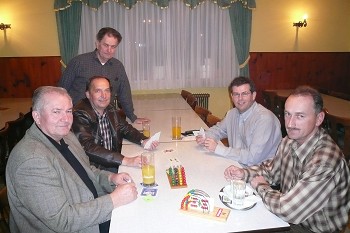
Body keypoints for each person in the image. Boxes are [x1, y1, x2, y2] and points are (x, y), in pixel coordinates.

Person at [5, 86, 138, 233]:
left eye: (69, 111)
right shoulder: (31, 160)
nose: (66, 119)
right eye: (56, 112)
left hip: (91, 212)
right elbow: (63, 221)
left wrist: (111, 178)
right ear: (37, 116)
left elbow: (86, 170)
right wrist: (114, 200)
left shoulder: (66, 136)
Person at [224, 86, 350, 233]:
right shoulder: (289, 141)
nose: (290, 124)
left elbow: (287, 210)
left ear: (319, 118)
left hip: (312, 229)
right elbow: (271, 171)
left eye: (300, 116)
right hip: (289, 218)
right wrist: (243, 173)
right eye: (287, 114)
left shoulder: (325, 162)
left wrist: (261, 186)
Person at [58, 27, 146, 123]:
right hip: (79, 117)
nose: (109, 50)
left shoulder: (118, 66)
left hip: (106, 117)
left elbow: (124, 93)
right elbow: (61, 90)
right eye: (106, 45)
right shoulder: (78, 62)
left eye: (113, 46)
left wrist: (132, 117)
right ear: (97, 44)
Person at [72, 76, 158, 172]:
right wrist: (126, 160)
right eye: (98, 91)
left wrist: (143, 140)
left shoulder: (109, 108)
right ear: (88, 94)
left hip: (113, 162)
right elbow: (88, 147)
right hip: (96, 170)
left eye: (107, 91)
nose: (104, 96)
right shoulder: (80, 114)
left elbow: (125, 128)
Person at [196, 76, 282, 166]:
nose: (240, 98)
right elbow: (218, 130)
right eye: (236, 94)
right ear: (231, 97)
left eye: (244, 94)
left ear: (253, 95)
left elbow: (253, 158)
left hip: (260, 173)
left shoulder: (264, 119)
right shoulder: (232, 114)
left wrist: (218, 149)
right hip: (236, 165)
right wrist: (205, 137)